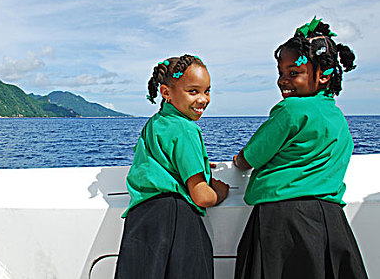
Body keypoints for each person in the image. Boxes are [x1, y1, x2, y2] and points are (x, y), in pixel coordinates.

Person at [233, 17, 368, 279]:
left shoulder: (291, 110)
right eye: (281, 73)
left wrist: (239, 161)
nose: (283, 81)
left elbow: (253, 155)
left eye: (293, 73)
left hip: (282, 221)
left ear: (324, 75)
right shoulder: (337, 116)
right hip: (329, 221)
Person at [114, 54, 230, 279]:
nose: (203, 99)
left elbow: (162, 161)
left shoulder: (155, 124)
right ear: (166, 92)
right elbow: (201, 196)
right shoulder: (186, 129)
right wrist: (219, 192)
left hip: (141, 219)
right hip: (176, 221)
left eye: (207, 91)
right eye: (193, 91)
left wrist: (200, 165)